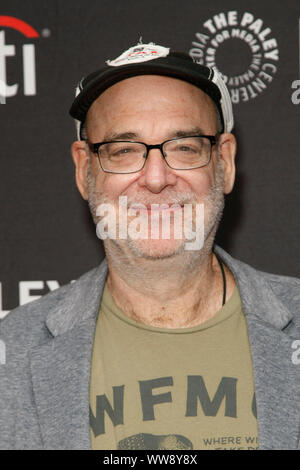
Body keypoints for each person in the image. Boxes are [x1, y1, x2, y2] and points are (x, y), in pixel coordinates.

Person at [0, 42, 299, 451]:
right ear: (85, 170)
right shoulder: (11, 353)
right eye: (123, 151)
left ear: (224, 163)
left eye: (184, 147)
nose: (156, 178)